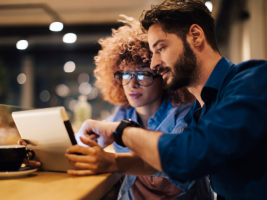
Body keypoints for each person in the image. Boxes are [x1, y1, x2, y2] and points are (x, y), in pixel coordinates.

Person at [66, 0, 267, 199]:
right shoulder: (200, 108)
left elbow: (189, 153)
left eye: (160, 48)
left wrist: (120, 130)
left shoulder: (254, 78)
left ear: (195, 36)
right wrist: (113, 162)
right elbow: (162, 161)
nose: (154, 63)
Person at [66, 15, 214, 200]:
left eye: (143, 74)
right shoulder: (124, 112)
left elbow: (171, 159)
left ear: (164, 77)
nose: (132, 84)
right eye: (126, 74)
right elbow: (89, 140)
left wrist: (113, 161)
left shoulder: (183, 116)